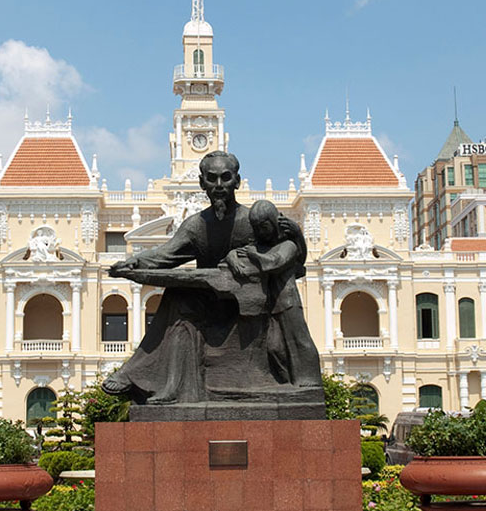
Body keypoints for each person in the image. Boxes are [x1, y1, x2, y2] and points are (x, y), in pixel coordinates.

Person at [102, 151, 315, 404]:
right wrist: (135, 262)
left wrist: (295, 236)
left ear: (237, 181)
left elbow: (290, 256)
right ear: (202, 183)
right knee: (177, 296)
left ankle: (302, 375)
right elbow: (165, 255)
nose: (219, 185)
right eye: (212, 179)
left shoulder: (253, 221)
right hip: (210, 303)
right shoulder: (196, 225)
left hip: (250, 305)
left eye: (226, 178)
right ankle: (150, 378)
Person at [228, 200, 321, 388]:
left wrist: (253, 255)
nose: (261, 232)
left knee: (300, 341)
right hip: (270, 305)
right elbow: (233, 253)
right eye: (257, 228)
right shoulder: (260, 247)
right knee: (274, 347)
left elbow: (273, 263)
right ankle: (287, 383)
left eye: (264, 226)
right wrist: (233, 260)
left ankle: (309, 382)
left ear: (273, 222)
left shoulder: (288, 245)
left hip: (288, 303)